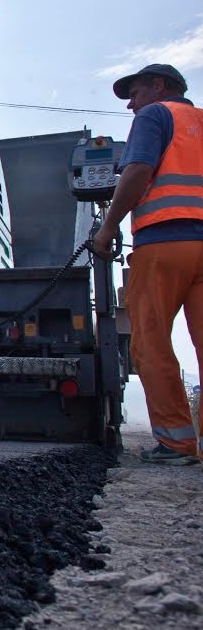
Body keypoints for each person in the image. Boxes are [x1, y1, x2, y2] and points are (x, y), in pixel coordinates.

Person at [92, 63, 203, 465]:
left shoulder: (156, 116)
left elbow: (138, 171)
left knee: (150, 342)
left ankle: (176, 444)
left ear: (158, 87)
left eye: (134, 94)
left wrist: (107, 229)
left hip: (165, 243)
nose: (131, 106)